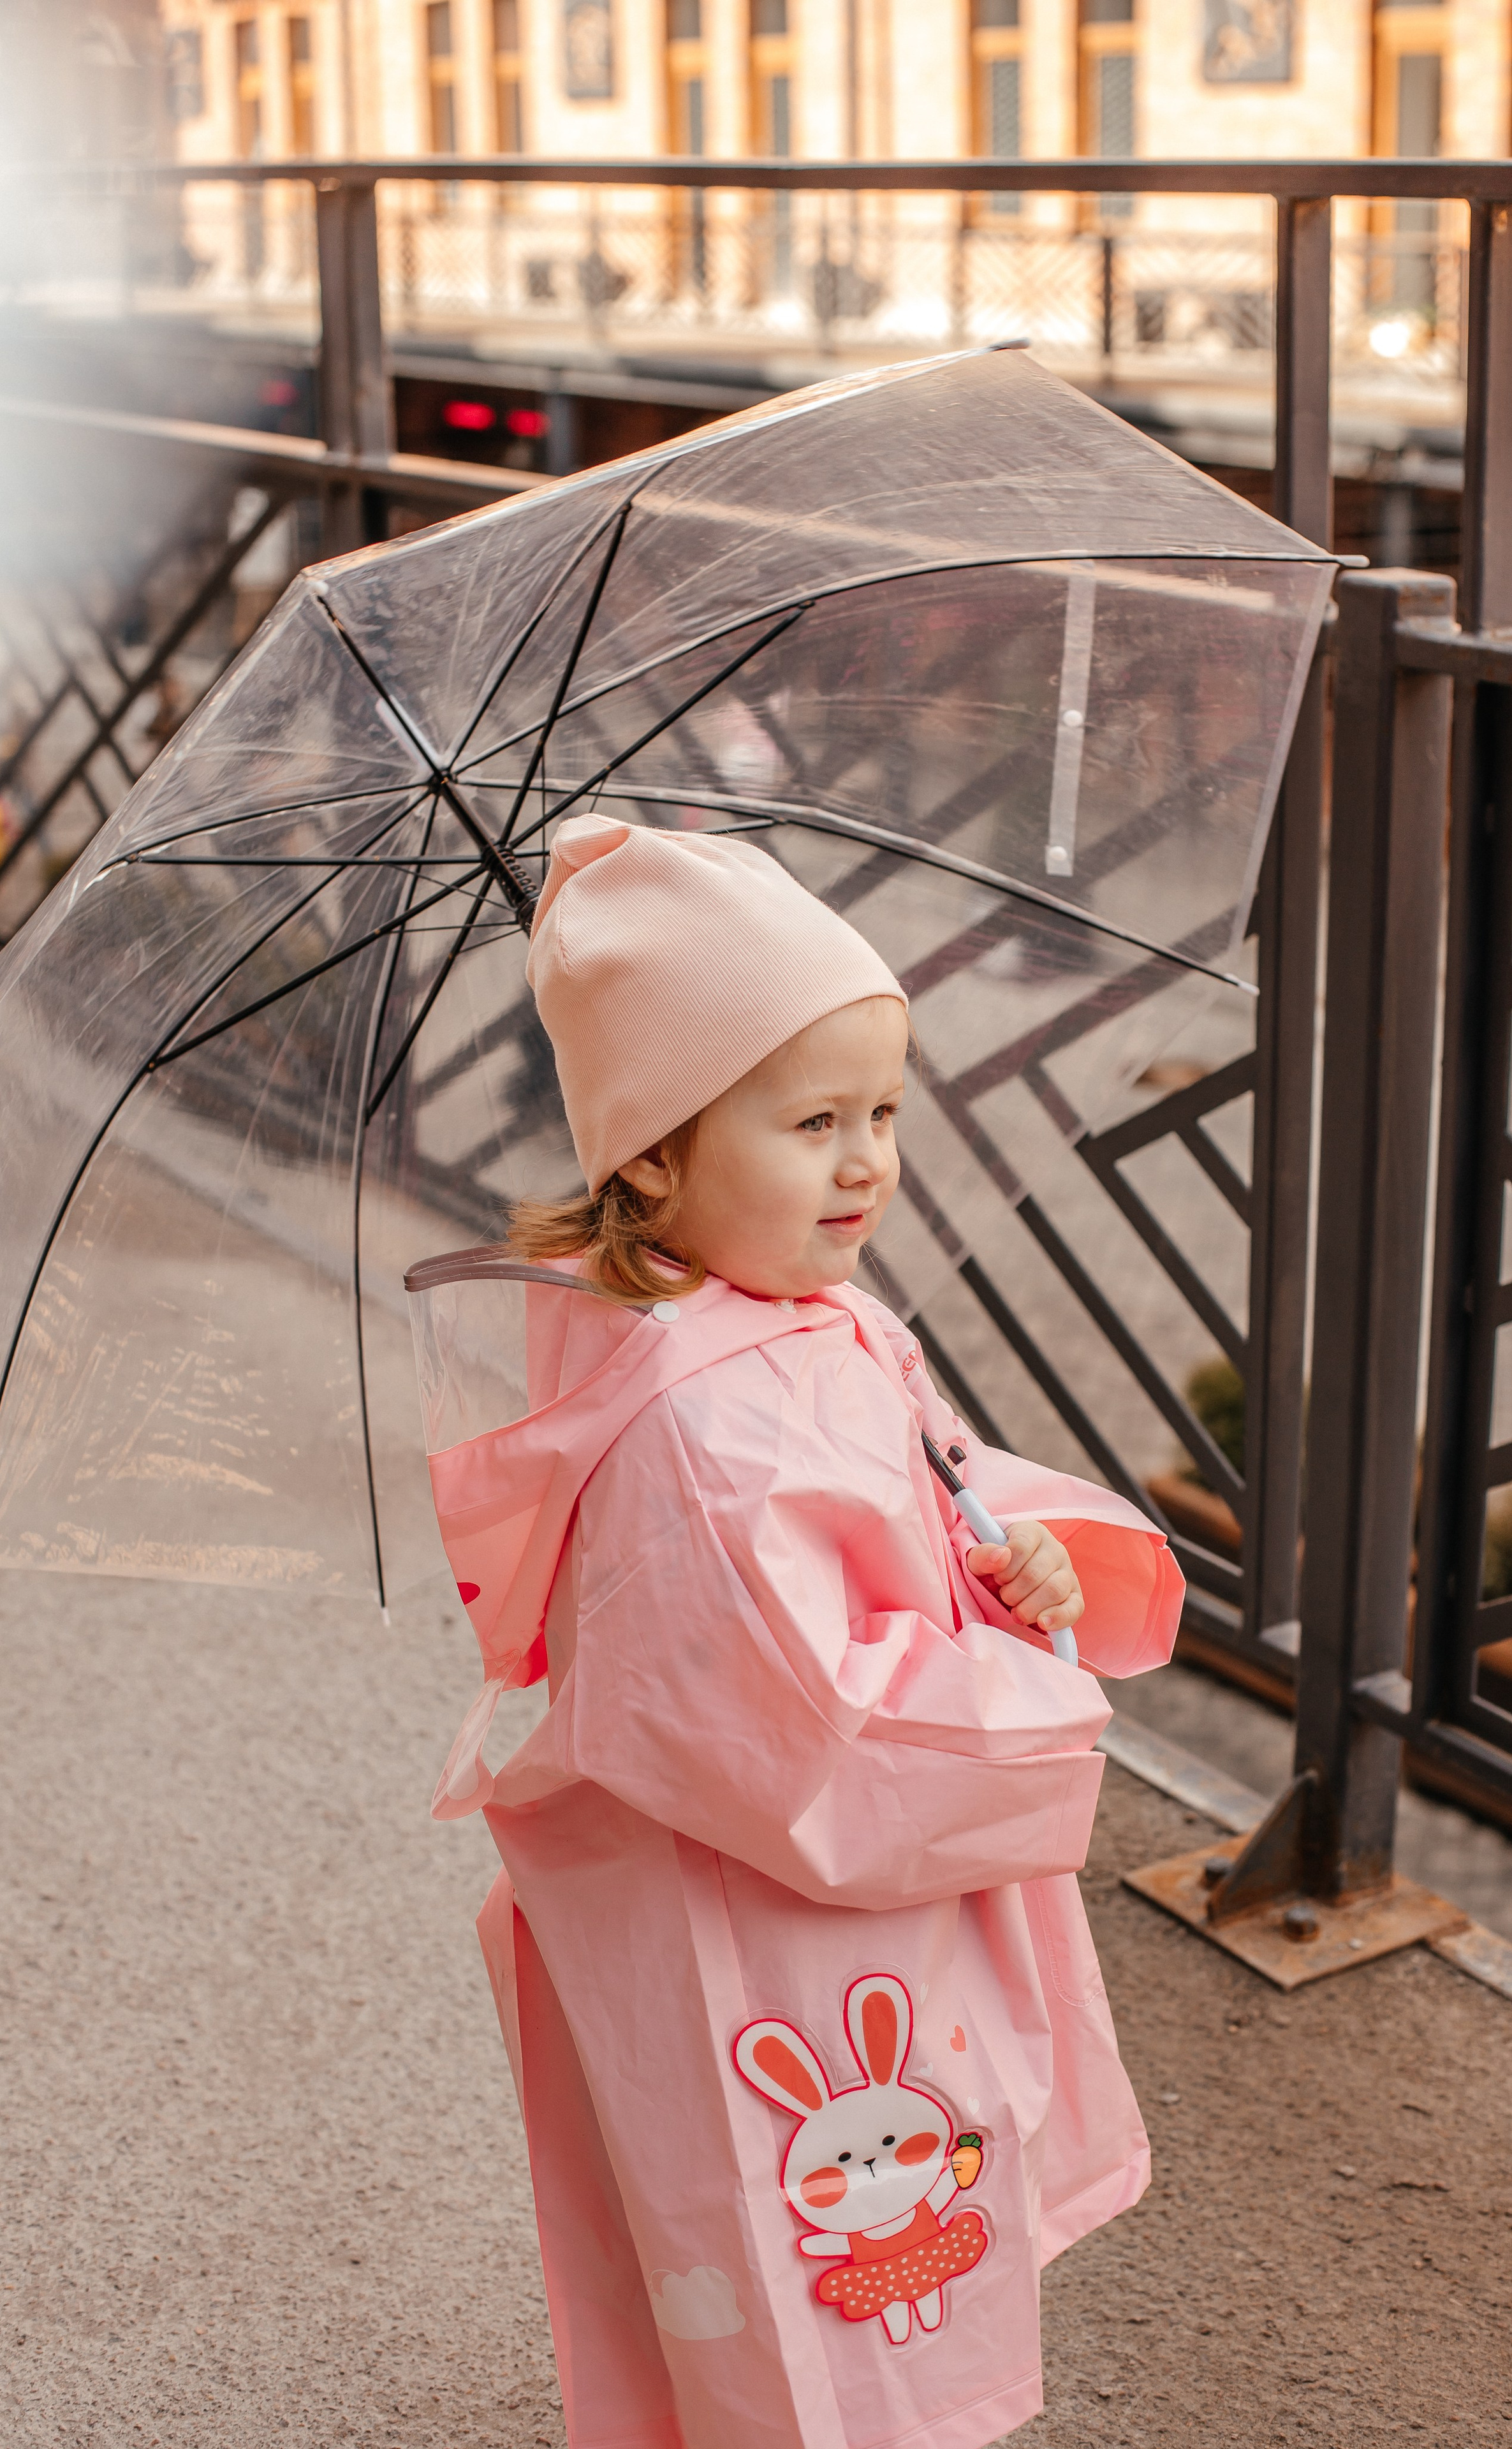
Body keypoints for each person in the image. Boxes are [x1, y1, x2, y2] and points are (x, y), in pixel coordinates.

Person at [416, 814, 1184, 2449]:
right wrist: (1037, 1695)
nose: (866, 1163)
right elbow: (812, 1731)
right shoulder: (704, 1423)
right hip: (785, 1911)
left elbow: (925, 1497)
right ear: (651, 1152)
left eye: (885, 1115)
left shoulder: (795, 1314)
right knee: (818, 2260)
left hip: (819, 1912)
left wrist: (1009, 1566)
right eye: (813, 1120)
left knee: (825, 2241)